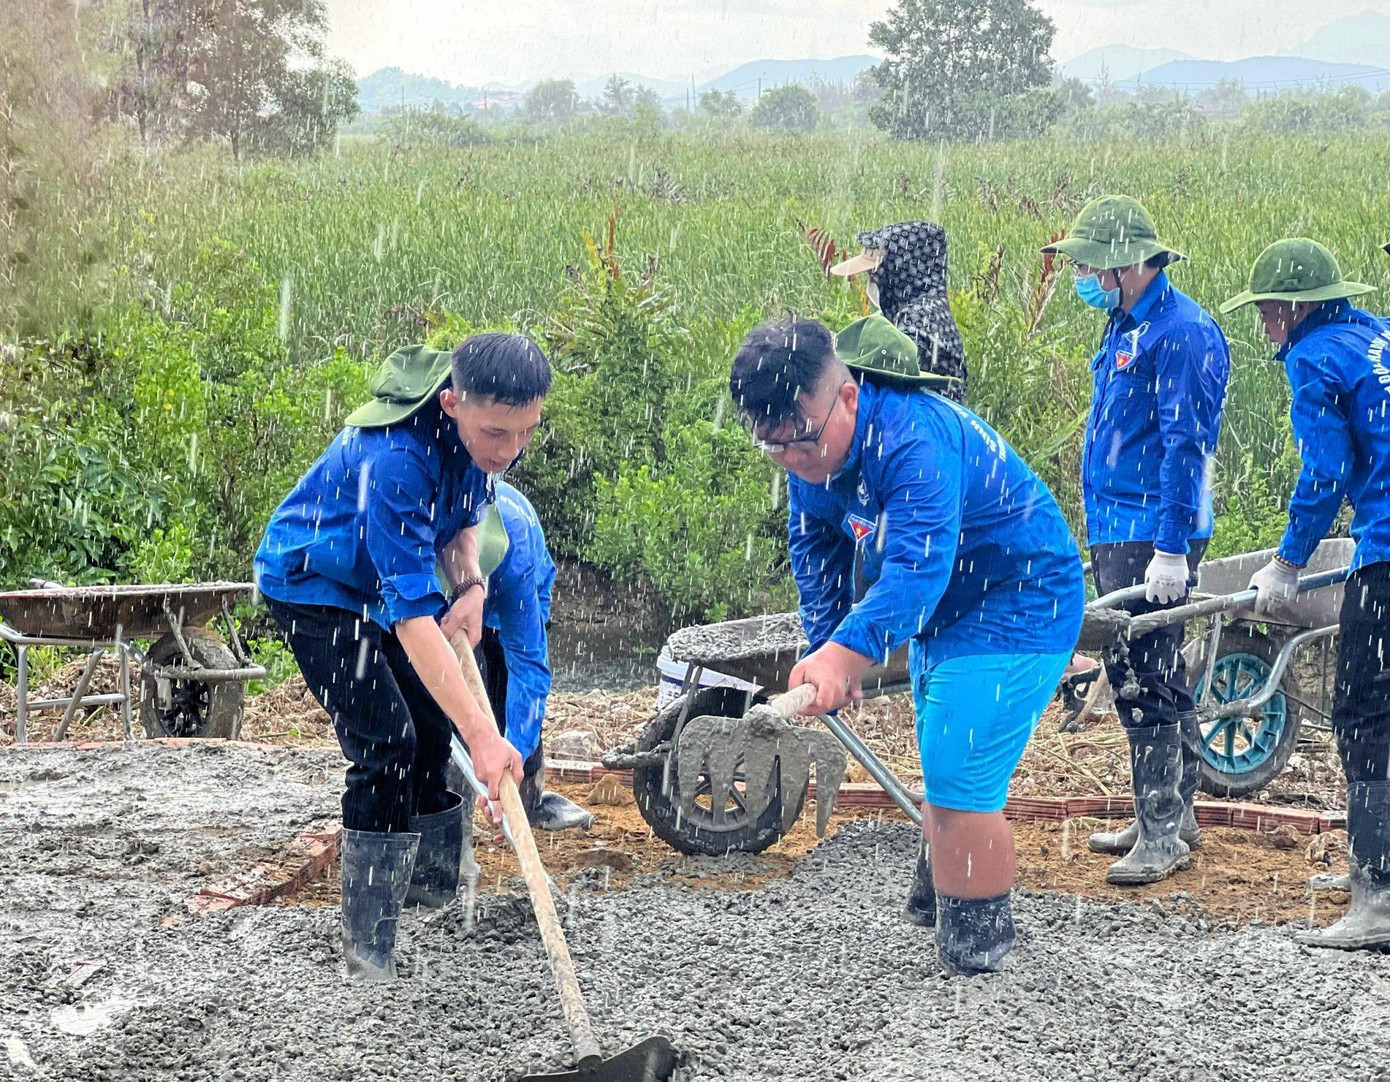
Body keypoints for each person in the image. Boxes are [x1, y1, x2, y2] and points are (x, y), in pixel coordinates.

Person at [729, 314, 1084, 976]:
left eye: (804, 440)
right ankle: (944, 891)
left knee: (962, 772)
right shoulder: (809, 451)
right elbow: (815, 548)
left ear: (848, 395)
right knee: (950, 751)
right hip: (947, 609)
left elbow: (917, 573)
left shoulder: (914, 439)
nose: (797, 462)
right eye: (774, 448)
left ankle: (978, 950)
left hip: (1021, 596)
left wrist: (846, 654)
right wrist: (830, 642)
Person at [254, 335, 552, 979]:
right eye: (495, 432)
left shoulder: (479, 447)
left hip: (378, 585)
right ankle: (369, 948)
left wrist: (471, 585)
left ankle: (432, 899)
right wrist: (485, 737)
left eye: (524, 433)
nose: (507, 450)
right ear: (451, 403)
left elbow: (465, 519)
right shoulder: (396, 460)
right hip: (316, 587)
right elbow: (414, 620)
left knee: (428, 730)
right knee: (386, 741)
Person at [1042, 196, 1230, 886]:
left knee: (1141, 677)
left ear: (1127, 264)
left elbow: (1186, 445)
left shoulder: (1182, 333)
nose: (1084, 276)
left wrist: (1172, 548)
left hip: (1154, 528)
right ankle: (1171, 814)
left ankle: (1160, 834)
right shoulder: (1125, 322)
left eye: (1092, 264)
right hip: (1119, 522)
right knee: (1150, 670)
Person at [1222, 238, 1390, 950]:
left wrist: (1287, 563)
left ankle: (1377, 895)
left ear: (1294, 309)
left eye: (1266, 313)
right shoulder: (1377, 334)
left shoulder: (1313, 356)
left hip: (1385, 556)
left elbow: (1325, 472)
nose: (1264, 327)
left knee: (1364, 718)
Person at [471, 481, 591, 831]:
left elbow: (529, 670)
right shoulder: (445, 528)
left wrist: (516, 753)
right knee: (471, 695)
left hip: (521, 586)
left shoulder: (516, 559)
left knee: (516, 695)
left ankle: (525, 798)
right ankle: (460, 799)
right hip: (466, 590)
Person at [828, 221, 969, 403]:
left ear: (898, 273)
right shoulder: (920, 310)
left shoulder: (920, 319)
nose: (872, 282)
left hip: (926, 422)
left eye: (874, 274)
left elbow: (888, 374)